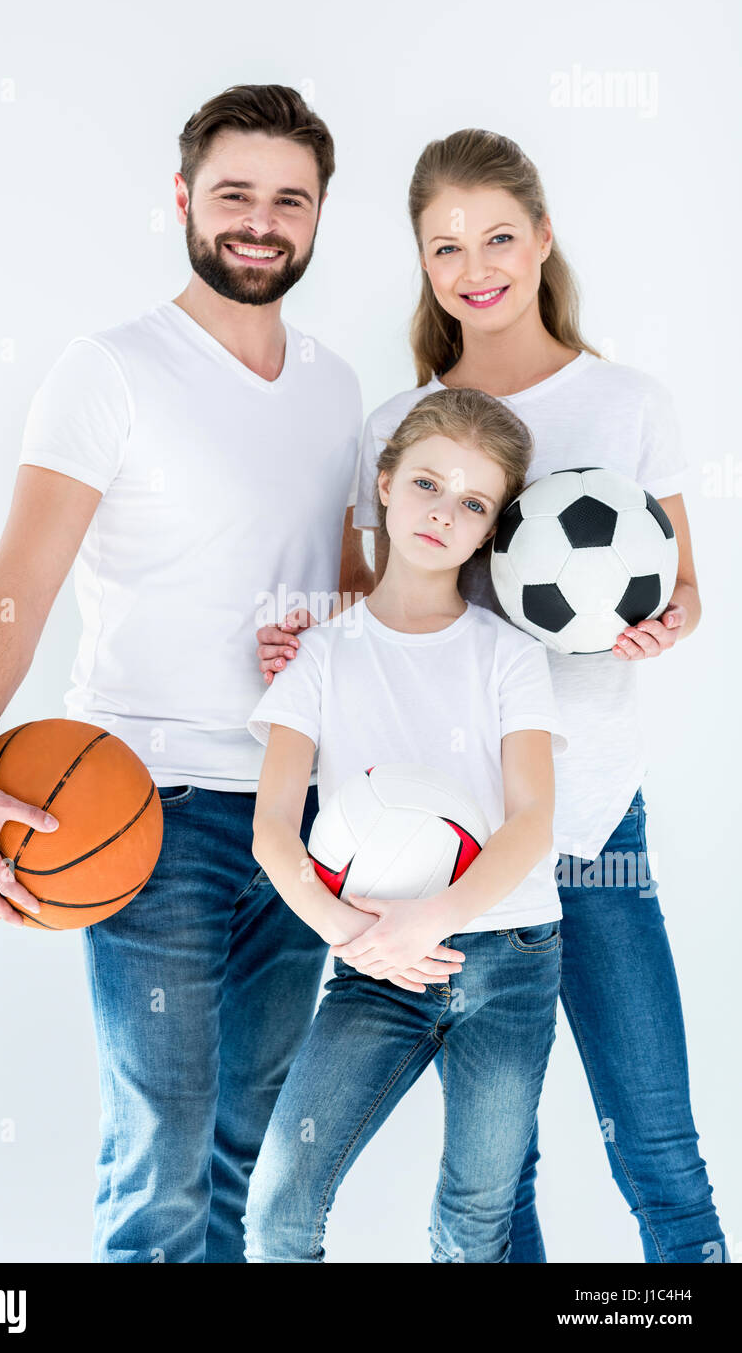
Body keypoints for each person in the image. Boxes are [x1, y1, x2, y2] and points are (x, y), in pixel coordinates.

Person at [0, 83, 373, 1264]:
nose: (260, 221)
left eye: (290, 198)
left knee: (247, 1149)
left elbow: (357, 602)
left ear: (322, 214)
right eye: (234, 194)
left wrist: (328, 628)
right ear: (183, 199)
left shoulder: (336, 388)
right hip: (142, 811)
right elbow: (13, 590)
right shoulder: (108, 369)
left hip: (299, 812)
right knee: (161, 1155)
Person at [256, 128, 726, 1263]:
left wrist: (670, 621)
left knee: (654, 1135)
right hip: (451, 837)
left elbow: (690, 585)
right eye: (447, 247)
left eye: (500, 236)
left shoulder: (629, 404)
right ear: (422, 264)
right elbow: (375, 608)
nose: (478, 266)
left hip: (592, 814)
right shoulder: (401, 429)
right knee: (494, 1180)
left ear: (545, 236)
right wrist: (306, 640)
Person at [244, 387, 569, 1262]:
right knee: (280, 1207)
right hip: (369, 962)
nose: (442, 513)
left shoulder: (509, 655)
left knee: (472, 1227)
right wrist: (353, 935)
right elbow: (273, 828)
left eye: (472, 503)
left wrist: (433, 918)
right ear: (383, 485)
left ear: (490, 528)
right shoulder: (317, 655)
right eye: (427, 483)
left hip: (507, 959)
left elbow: (533, 820)